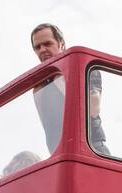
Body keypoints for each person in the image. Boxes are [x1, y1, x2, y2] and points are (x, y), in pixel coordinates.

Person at [29, 23, 107, 155]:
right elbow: (49, 128)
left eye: (47, 44)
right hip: (60, 156)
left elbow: (93, 109)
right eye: (37, 47)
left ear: (61, 44)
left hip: (93, 150)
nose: (42, 50)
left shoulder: (86, 68)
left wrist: (60, 79)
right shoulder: (40, 86)